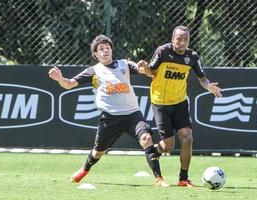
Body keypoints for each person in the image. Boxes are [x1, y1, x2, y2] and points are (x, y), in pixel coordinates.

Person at [48, 35, 169, 187]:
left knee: (146, 139)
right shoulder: (94, 70)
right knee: (98, 152)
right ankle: (84, 169)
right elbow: (70, 84)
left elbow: (144, 71)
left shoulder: (124, 64)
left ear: (112, 50)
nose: (105, 51)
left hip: (133, 115)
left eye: (107, 48)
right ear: (95, 54)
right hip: (110, 119)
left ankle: (159, 178)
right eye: (101, 49)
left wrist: (144, 67)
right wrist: (60, 78)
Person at [138, 25, 222, 187]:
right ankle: (153, 152)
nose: (182, 42)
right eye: (179, 39)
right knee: (168, 146)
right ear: (172, 39)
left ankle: (183, 178)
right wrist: (145, 69)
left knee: (187, 137)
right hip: (160, 102)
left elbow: (202, 78)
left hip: (180, 102)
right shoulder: (163, 51)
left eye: (186, 39)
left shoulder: (192, 57)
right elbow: (152, 73)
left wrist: (208, 86)